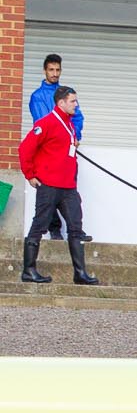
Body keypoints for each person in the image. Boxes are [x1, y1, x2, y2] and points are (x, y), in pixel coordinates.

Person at [16, 86, 97, 287]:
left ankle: (80, 273)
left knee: (76, 227)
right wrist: (30, 174)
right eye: (73, 101)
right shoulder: (46, 123)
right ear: (61, 103)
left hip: (68, 186)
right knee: (40, 224)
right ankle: (29, 270)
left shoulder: (69, 124)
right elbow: (25, 148)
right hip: (49, 185)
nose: (76, 105)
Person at [24, 55, 79, 246]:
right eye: (51, 70)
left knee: (70, 188)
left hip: (67, 150)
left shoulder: (67, 93)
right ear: (45, 71)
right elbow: (43, 121)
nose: (55, 73)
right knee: (49, 191)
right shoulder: (38, 96)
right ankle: (54, 228)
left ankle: (76, 230)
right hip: (49, 150)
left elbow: (77, 117)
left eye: (58, 70)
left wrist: (75, 136)